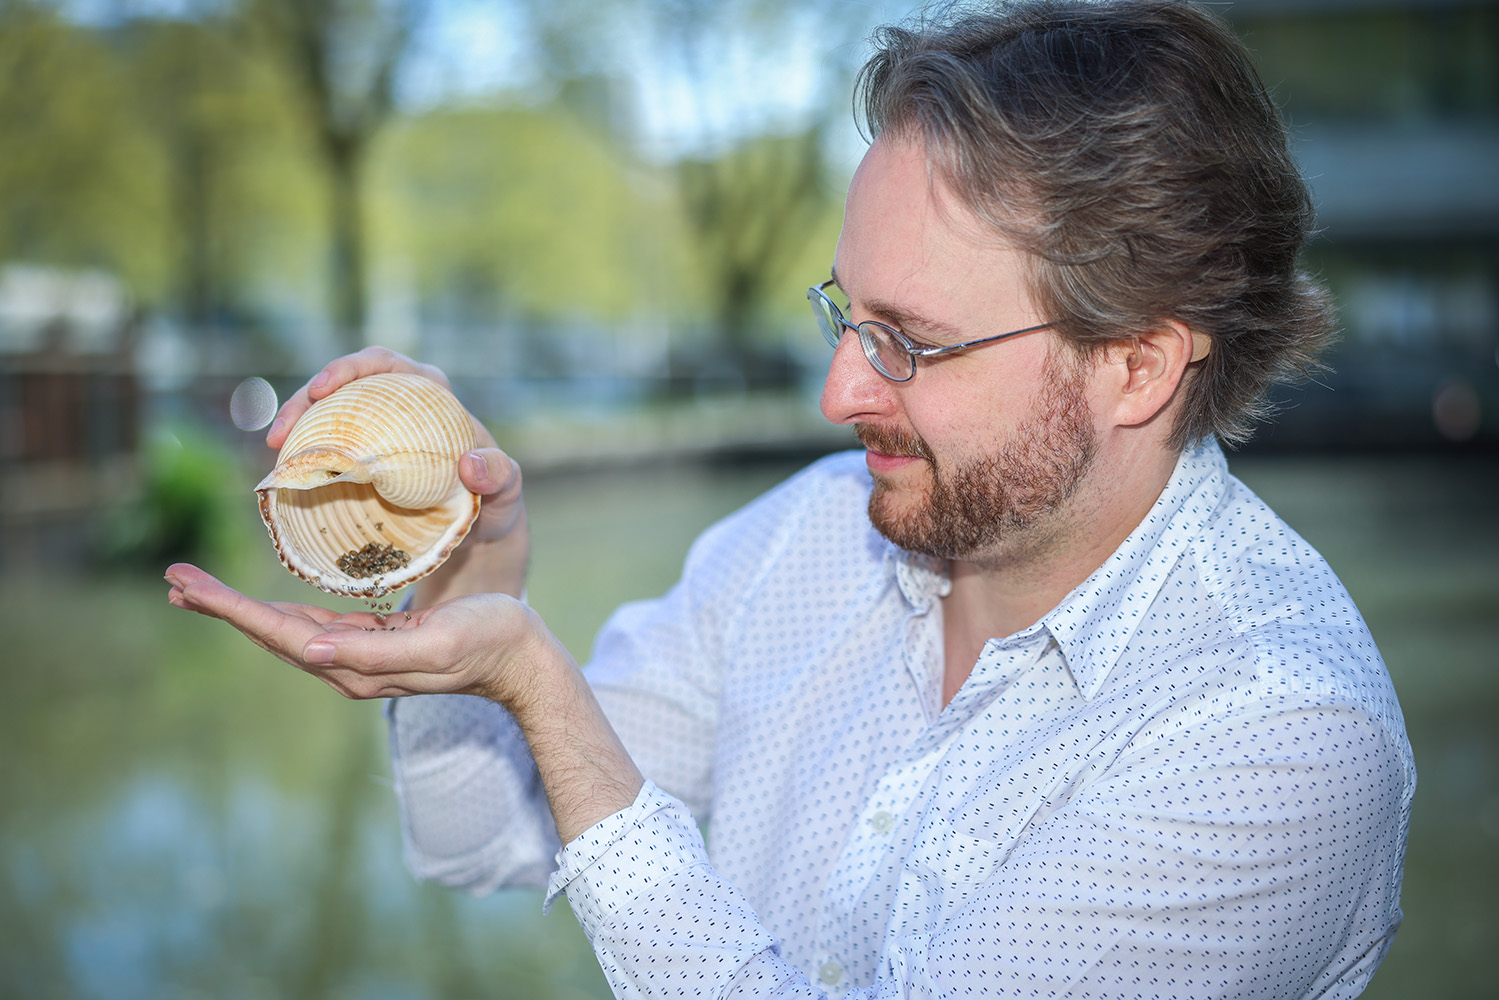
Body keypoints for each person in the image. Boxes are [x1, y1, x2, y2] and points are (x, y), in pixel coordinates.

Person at [166, 1, 1415, 996]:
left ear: (1135, 365)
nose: (836, 393)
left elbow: (569, 773)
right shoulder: (808, 531)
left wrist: (542, 685)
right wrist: (465, 588)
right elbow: (480, 837)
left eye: (908, 342)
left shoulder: (1276, 738)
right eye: (842, 313)